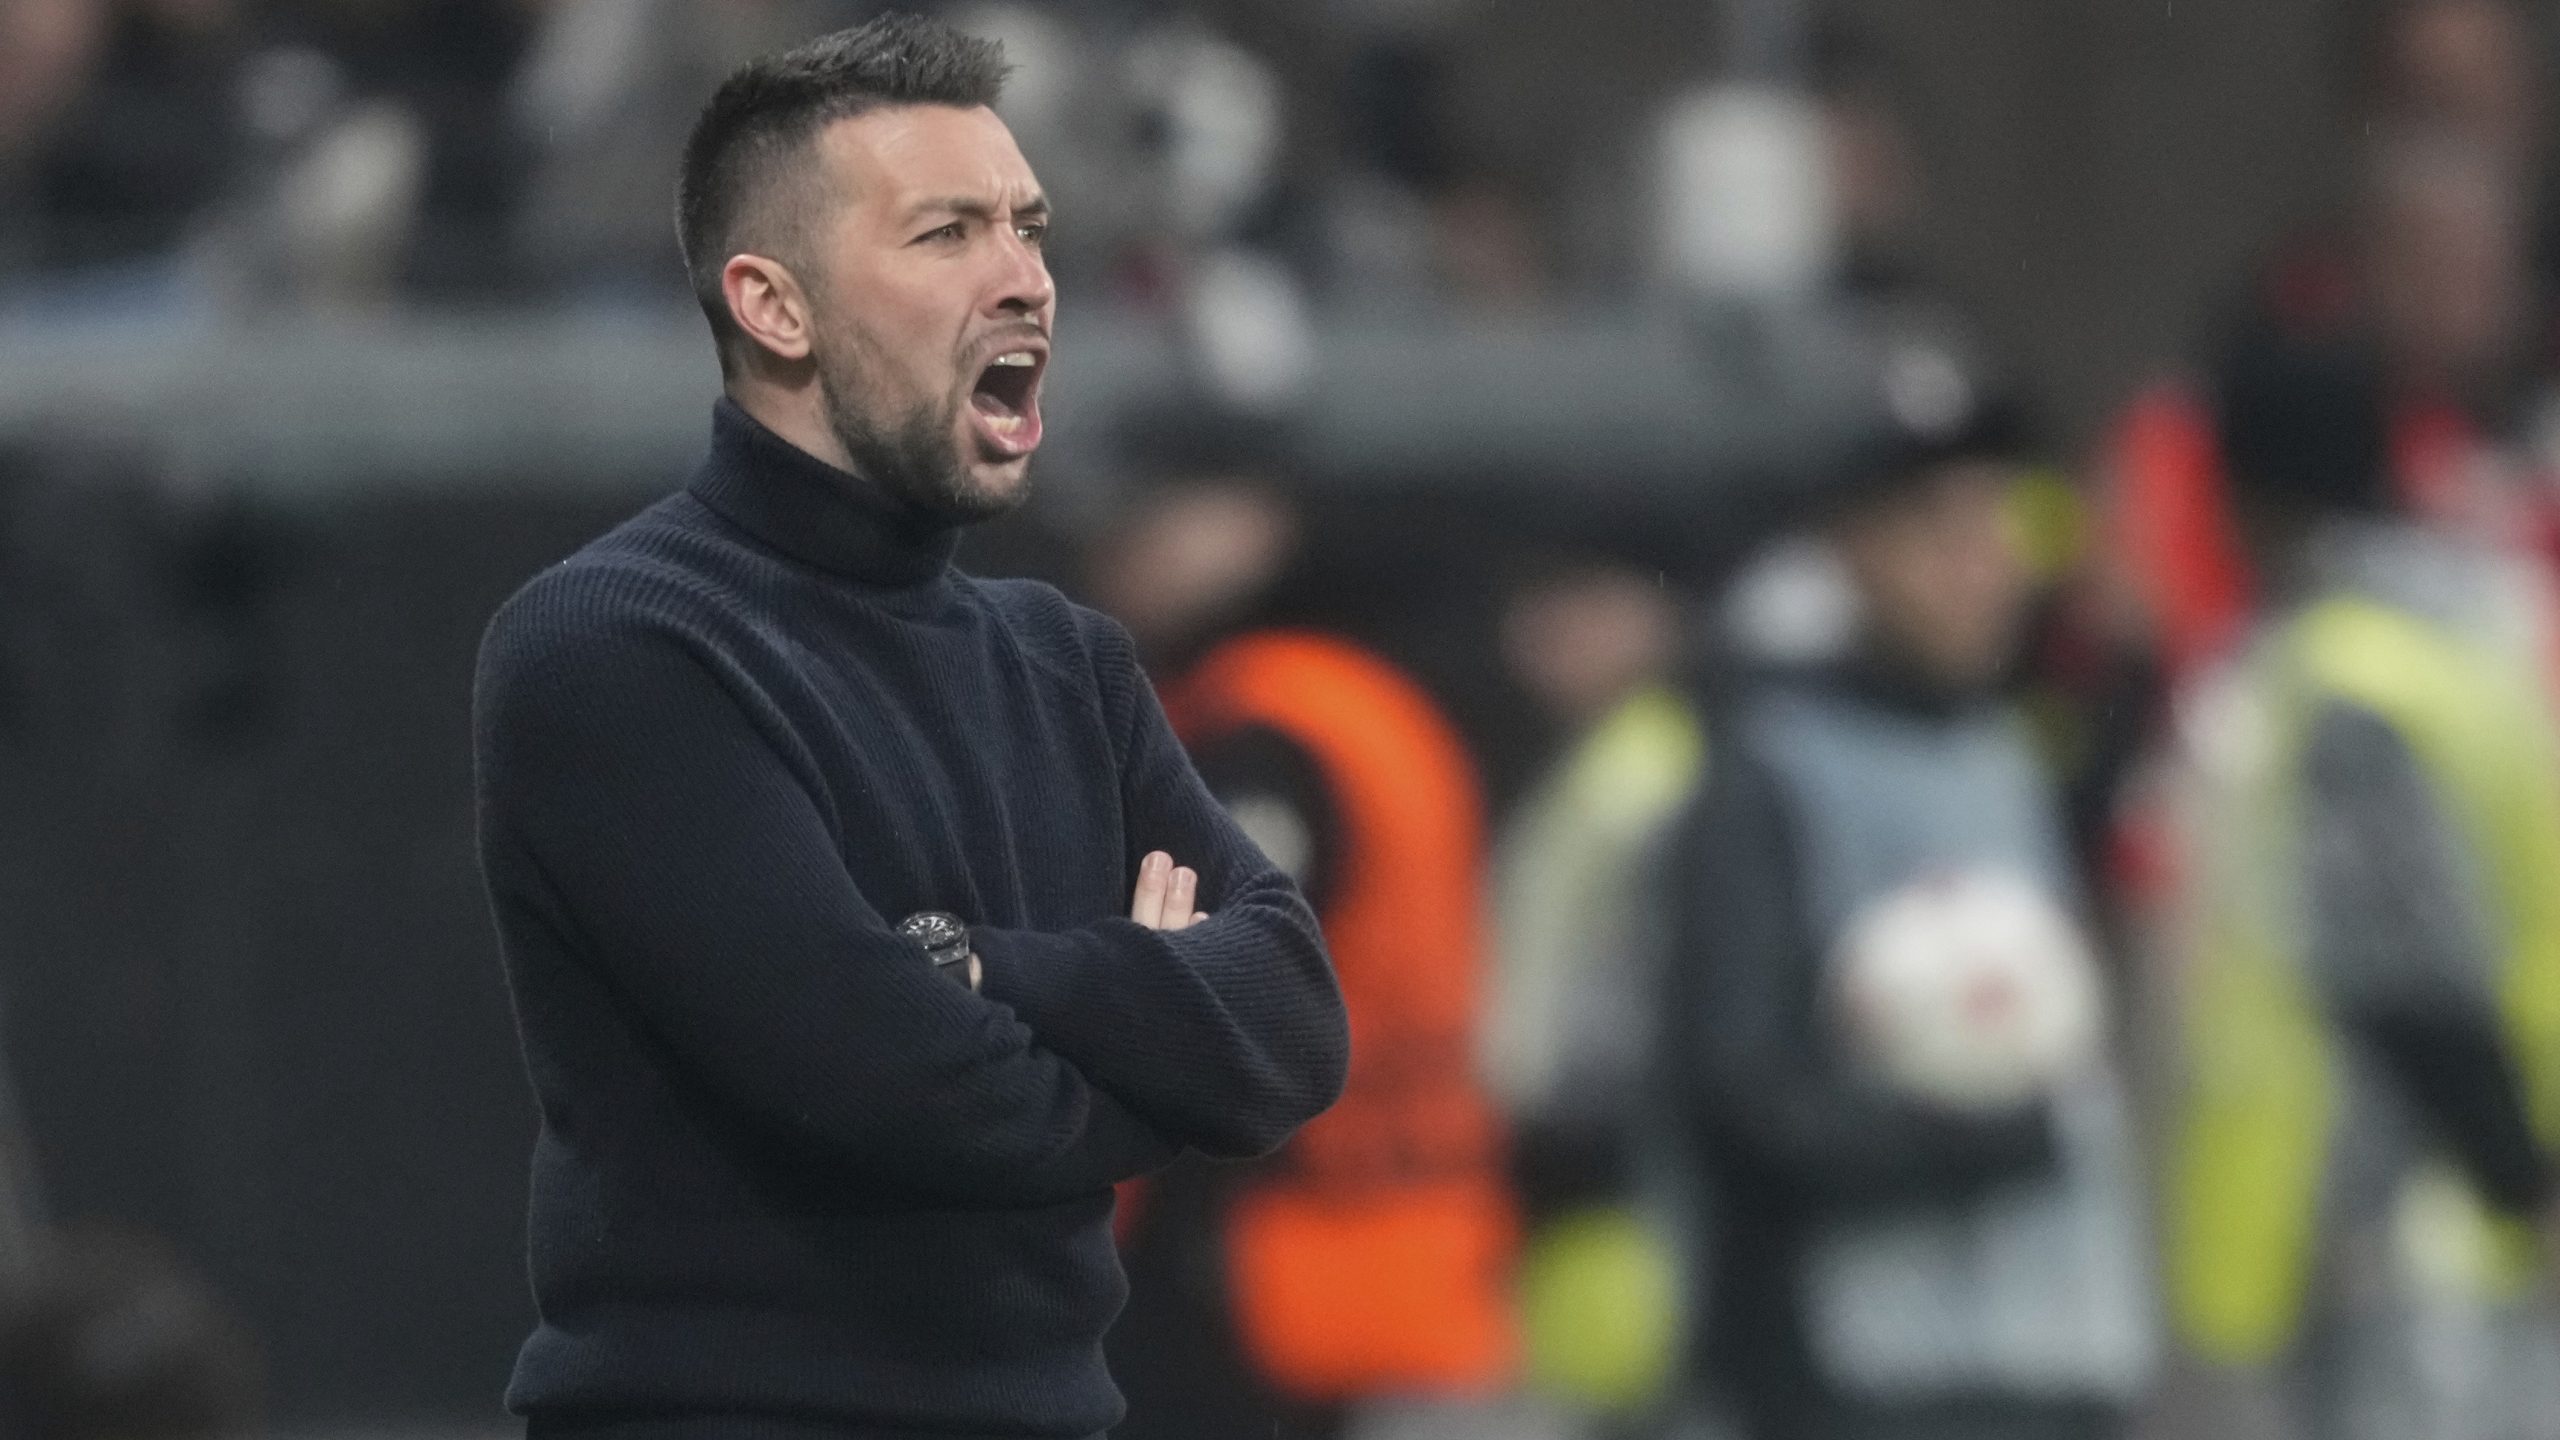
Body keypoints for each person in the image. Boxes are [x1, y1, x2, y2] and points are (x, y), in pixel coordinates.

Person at [469, 16, 1349, 1439]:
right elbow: (906, 1092)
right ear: (777, 307)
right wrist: (1154, 1037)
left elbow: (1295, 1027)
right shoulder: (614, 647)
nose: (1026, 279)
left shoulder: (1067, 660)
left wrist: (988, 966)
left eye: (1029, 229)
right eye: (947, 234)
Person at [1657, 341, 2156, 1440]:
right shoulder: (1770, 773)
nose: (1983, 566)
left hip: (2054, 1351)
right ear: (1851, 552)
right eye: (1938, 532)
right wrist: (1987, 1143)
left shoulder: (2004, 750)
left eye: (1998, 524)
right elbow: (1744, 1092)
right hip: (1867, 1374)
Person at [2165, 334, 2560, 1440]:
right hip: (2457, 1233)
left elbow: (2404, 970)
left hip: (2397, 1233)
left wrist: (2527, 1187)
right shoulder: (2466, 635)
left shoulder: (2347, 681)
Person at [1088, 478, 1518, 1440]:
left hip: (1260, 1263)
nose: (1114, 559)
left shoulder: (1266, 718)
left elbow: (1206, 991)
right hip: (1406, 1234)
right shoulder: (1382, 703)